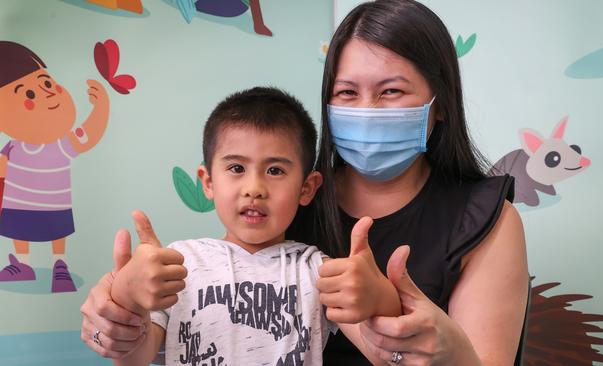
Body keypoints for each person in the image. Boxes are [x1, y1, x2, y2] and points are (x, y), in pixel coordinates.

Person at [81, 0, 529, 365]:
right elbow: (134, 344)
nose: (256, 187)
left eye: (391, 91)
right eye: (348, 93)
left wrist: (393, 311)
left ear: (440, 103)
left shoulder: (480, 217)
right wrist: (120, 304)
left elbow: (386, 346)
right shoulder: (267, 217)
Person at [101, 86, 401, 365]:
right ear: (208, 182)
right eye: (236, 168)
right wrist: (128, 297)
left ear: (306, 188)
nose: (254, 187)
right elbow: (133, 358)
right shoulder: (176, 265)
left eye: (274, 170)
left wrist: (380, 298)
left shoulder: (318, 270)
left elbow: (383, 353)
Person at [0, 41, 110, 292]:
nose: (46, 93)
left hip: (53, 206)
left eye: (47, 83)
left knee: (56, 235)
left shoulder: (61, 145)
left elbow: (89, 134)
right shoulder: (12, 147)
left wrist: (101, 106)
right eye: (28, 94)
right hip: (18, 206)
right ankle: (24, 265)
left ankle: (59, 266)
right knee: (19, 232)